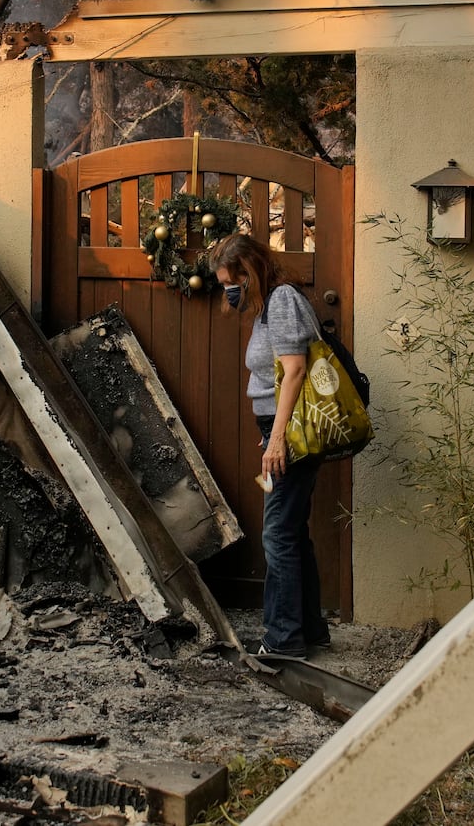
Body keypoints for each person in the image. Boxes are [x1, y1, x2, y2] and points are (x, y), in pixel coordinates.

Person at [208, 233, 332, 658]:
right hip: (280, 426)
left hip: (291, 429)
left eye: (232, 281)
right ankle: (310, 630)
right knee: (292, 532)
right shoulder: (269, 306)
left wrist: (275, 440)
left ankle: (282, 641)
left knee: (277, 534)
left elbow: (295, 371)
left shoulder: (282, 301)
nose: (229, 290)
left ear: (251, 271)